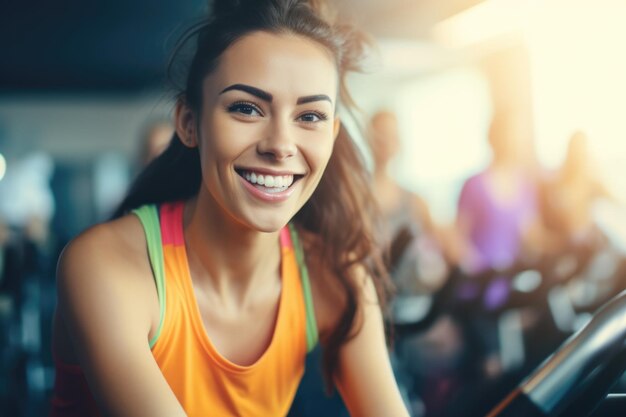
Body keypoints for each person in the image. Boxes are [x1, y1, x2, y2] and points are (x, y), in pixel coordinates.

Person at [50, 1, 409, 416]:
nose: (280, 144)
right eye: (246, 108)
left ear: (332, 134)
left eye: (309, 116)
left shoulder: (336, 275)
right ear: (188, 123)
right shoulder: (106, 267)